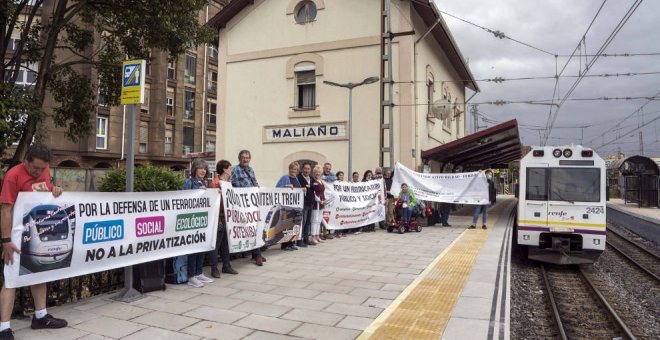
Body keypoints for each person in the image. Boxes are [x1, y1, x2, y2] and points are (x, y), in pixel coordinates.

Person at [0, 143, 67, 340]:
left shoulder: (44, 170)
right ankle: (3, 328)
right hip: (16, 235)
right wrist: (6, 241)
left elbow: (44, 192)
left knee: (39, 275)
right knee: (11, 280)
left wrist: (55, 190)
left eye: (42, 168)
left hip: (38, 232)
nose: (38, 172)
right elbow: (5, 210)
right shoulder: (13, 176)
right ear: (25, 161)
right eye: (34, 167)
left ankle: (40, 316)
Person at [230, 150, 267, 265]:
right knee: (249, 229)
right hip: (242, 205)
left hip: (252, 204)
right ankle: (256, 255)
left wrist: (258, 188)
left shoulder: (251, 170)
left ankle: (256, 253)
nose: (245, 160)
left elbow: (254, 183)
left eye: (247, 158)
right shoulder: (235, 170)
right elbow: (233, 185)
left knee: (254, 229)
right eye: (243, 158)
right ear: (239, 159)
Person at [182, 158, 215, 288]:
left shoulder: (204, 183)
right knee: (193, 249)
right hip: (192, 220)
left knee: (201, 247)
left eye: (204, 168)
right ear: (195, 169)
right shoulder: (188, 183)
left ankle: (199, 272)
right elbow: (183, 200)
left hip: (203, 220)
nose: (203, 170)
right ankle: (191, 276)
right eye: (200, 168)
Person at [208, 160, 239, 277]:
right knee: (217, 242)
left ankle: (227, 265)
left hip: (227, 214)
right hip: (219, 215)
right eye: (230, 168)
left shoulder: (228, 182)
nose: (231, 170)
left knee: (226, 241)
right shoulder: (216, 183)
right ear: (225, 169)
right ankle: (214, 267)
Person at [276, 162, 302, 251]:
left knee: (294, 224)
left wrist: (302, 190)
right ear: (289, 169)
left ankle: (291, 243)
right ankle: (285, 245)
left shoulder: (297, 179)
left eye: (295, 169)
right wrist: (286, 186)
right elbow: (277, 188)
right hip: (286, 206)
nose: (293, 171)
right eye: (292, 168)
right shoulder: (285, 177)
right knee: (286, 225)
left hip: (295, 206)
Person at [297, 162, 316, 246]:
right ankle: (299, 240)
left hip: (311, 203)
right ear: (302, 169)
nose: (306, 170)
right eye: (305, 168)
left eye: (308, 169)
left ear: (310, 170)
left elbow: (316, 187)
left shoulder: (311, 178)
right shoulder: (299, 178)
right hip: (303, 203)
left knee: (308, 222)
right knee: (303, 222)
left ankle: (306, 239)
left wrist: (310, 186)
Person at [310, 166, 326, 244]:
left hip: (322, 203)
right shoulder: (313, 182)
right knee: (314, 220)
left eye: (319, 172)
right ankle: (313, 236)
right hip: (316, 203)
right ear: (314, 173)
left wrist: (324, 200)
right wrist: (319, 201)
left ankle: (317, 235)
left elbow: (322, 192)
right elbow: (314, 193)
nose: (318, 173)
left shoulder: (321, 181)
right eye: (316, 172)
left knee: (319, 220)